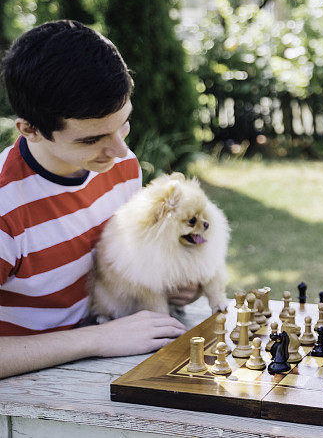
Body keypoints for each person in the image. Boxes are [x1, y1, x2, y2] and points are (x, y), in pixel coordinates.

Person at [0, 21, 199, 379]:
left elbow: (119, 257)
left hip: (103, 347)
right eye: (91, 139)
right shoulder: (4, 212)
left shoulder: (120, 164)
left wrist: (172, 278)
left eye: (123, 123)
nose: (120, 150)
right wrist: (96, 339)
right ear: (29, 129)